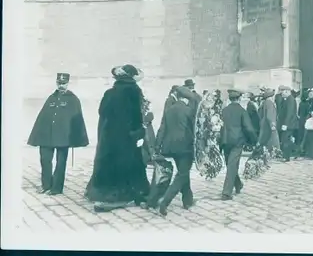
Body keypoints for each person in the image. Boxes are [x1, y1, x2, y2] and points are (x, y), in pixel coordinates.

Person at [85, 65, 150, 212]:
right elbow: (136, 116)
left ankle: (102, 193)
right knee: (131, 164)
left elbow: (102, 112)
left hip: (109, 137)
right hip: (127, 137)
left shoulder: (109, 92)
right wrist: (139, 133)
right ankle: (128, 195)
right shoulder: (134, 91)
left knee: (110, 165)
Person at [27, 73, 89, 195]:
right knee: (45, 160)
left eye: (64, 83)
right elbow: (42, 118)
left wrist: (76, 138)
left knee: (61, 163)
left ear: (68, 83)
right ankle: (46, 185)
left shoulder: (73, 99)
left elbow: (77, 120)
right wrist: (37, 135)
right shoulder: (51, 98)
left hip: (64, 137)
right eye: (59, 83)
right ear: (56, 83)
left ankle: (56, 188)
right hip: (47, 137)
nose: (61, 86)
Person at [155, 86, 196, 216]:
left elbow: (162, 129)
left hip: (171, 147)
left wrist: (157, 146)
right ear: (185, 98)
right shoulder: (189, 111)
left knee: (183, 172)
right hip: (185, 147)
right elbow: (195, 130)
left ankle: (187, 200)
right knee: (182, 174)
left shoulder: (169, 110)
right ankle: (165, 201)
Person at [220, 89, 258, 200]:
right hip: (237, 141)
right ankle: (226, 192)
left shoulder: (224, 110)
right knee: (232, 165)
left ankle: (238, 184)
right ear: (239, 98)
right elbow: (248, 128)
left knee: (230, 164)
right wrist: (254, 141)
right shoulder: (242, 111)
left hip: (225, 141)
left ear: (230, 99)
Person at [193, 90, 224, 180]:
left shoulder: (214, 108)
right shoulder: (203, 108)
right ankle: (208, 169)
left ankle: (211, 169)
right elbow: (200, 123)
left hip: (211, 135)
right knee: (205, 152)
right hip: (204, 135)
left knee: (212, 153)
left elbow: (218, 119)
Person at [277, 86, 298, 162]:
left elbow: (289, 113)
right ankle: (297, 151)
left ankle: (286, 157)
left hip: (289, 124)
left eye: (281, 92)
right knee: (287, 140)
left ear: (286, 91)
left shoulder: (290, 100)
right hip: (288, 124)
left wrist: (285, 124)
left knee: (285, 139)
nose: (281, 94)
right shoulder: (287, 99)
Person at [258, 87, 280, 151]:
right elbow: (270, 115)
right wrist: (272, 125)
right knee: (273, 141)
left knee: (264, 140)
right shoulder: (270, 103)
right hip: (269, 125)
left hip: (264, 124)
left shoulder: (265, 102)